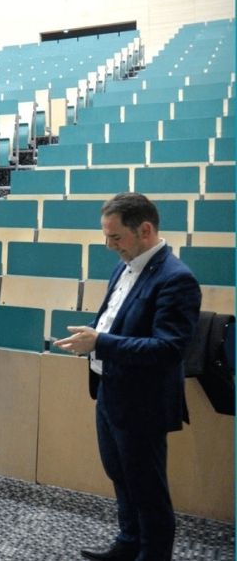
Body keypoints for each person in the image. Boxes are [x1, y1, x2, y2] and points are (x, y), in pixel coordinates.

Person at [54, 193, 200, 561]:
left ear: (145, 230)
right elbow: (118, 321)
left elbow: (169, 349)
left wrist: (100, 341)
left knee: (148, 488)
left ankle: (153, 554)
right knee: (120, 474)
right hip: (110, 389)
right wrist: (93, 334)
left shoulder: (177, 279)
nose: (109, 246)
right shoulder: (124, 266)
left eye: (115, 237)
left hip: (143, 401)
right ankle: (128, 542)